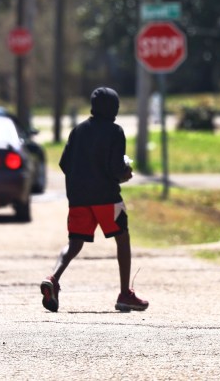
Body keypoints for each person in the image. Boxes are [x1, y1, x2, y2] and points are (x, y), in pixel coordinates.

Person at [40, 87, 148, 313]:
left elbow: (64, 164)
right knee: (122, 238)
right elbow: (116, 169)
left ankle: (54, 278)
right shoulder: (115, 131)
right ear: (114, 108)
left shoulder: (77, 131)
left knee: (74, 244)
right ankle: (125, 294)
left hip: (78, 199)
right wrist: (126, 172)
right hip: (106, 198)